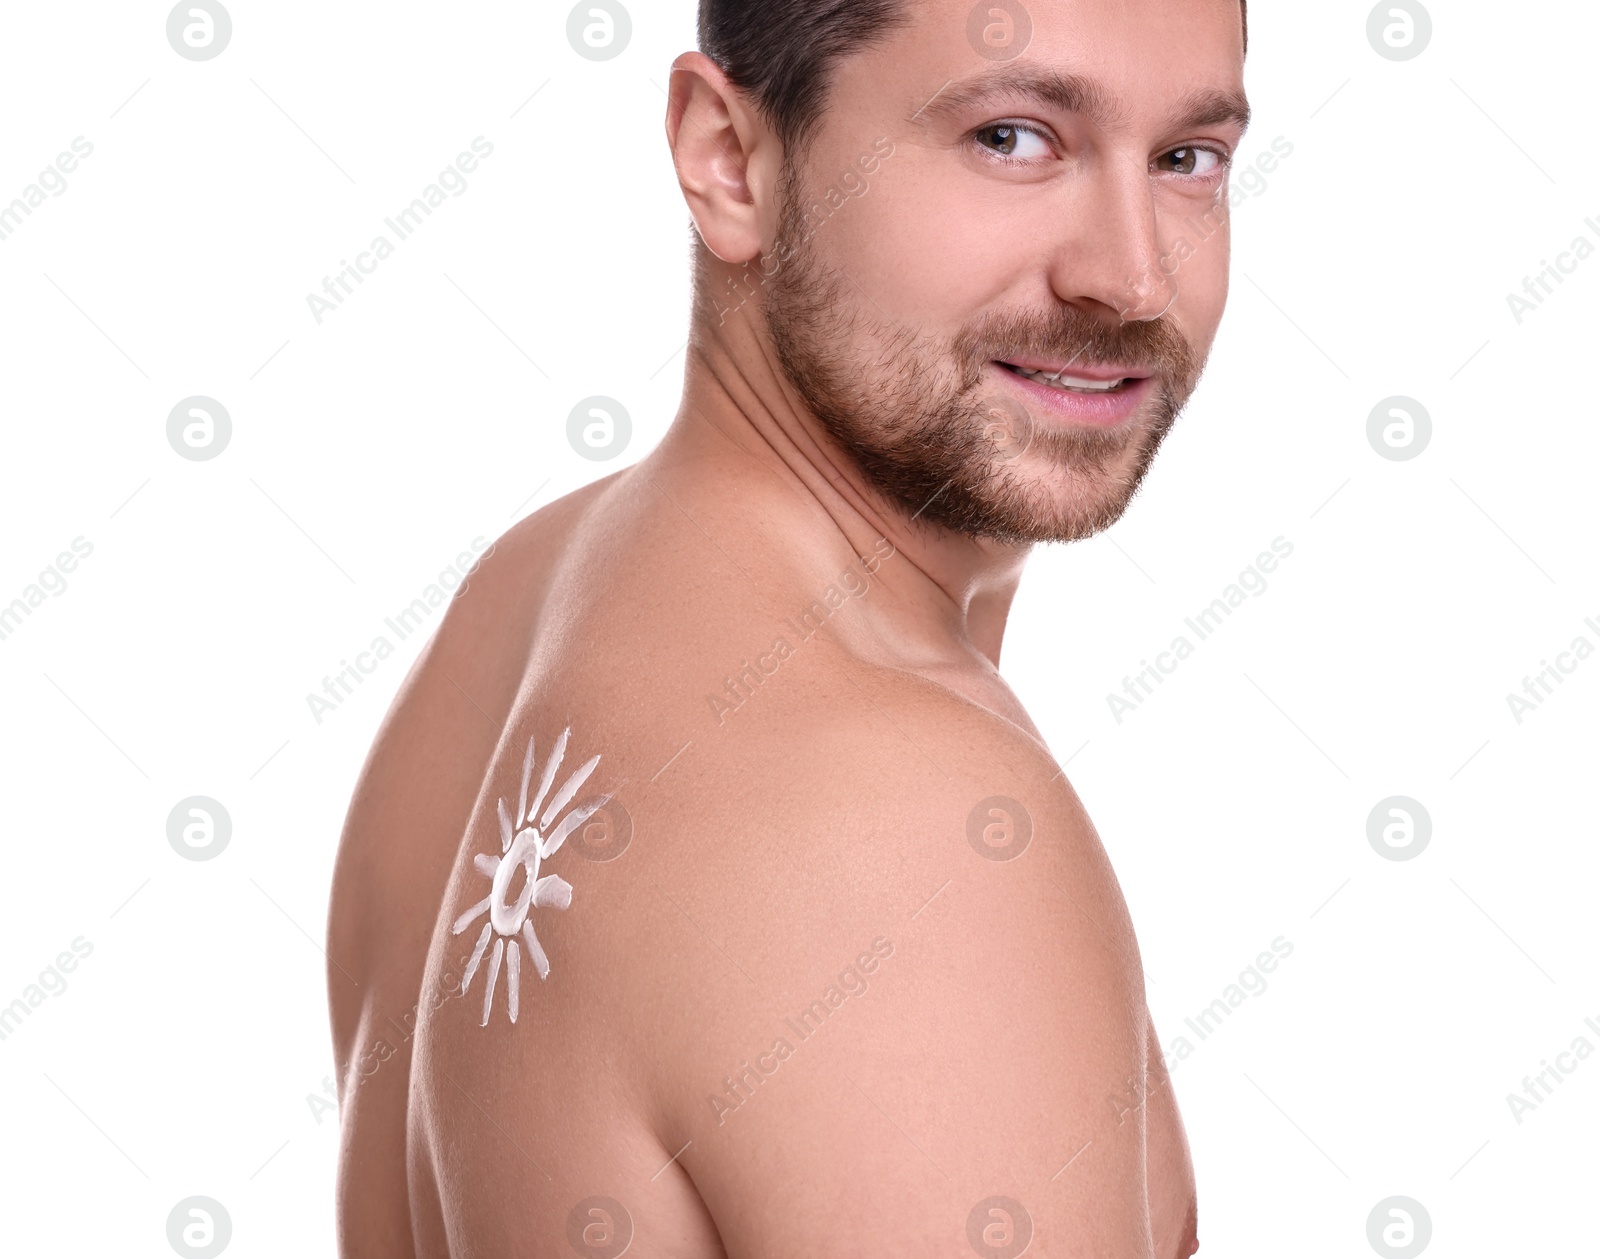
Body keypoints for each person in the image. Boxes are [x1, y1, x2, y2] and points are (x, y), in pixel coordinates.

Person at [328, 0, 1250, 1253]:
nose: (1132, 274)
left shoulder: (519, 603)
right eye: (1012, 138)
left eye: (1186, 158)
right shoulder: (904, 827)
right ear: (728, 156)